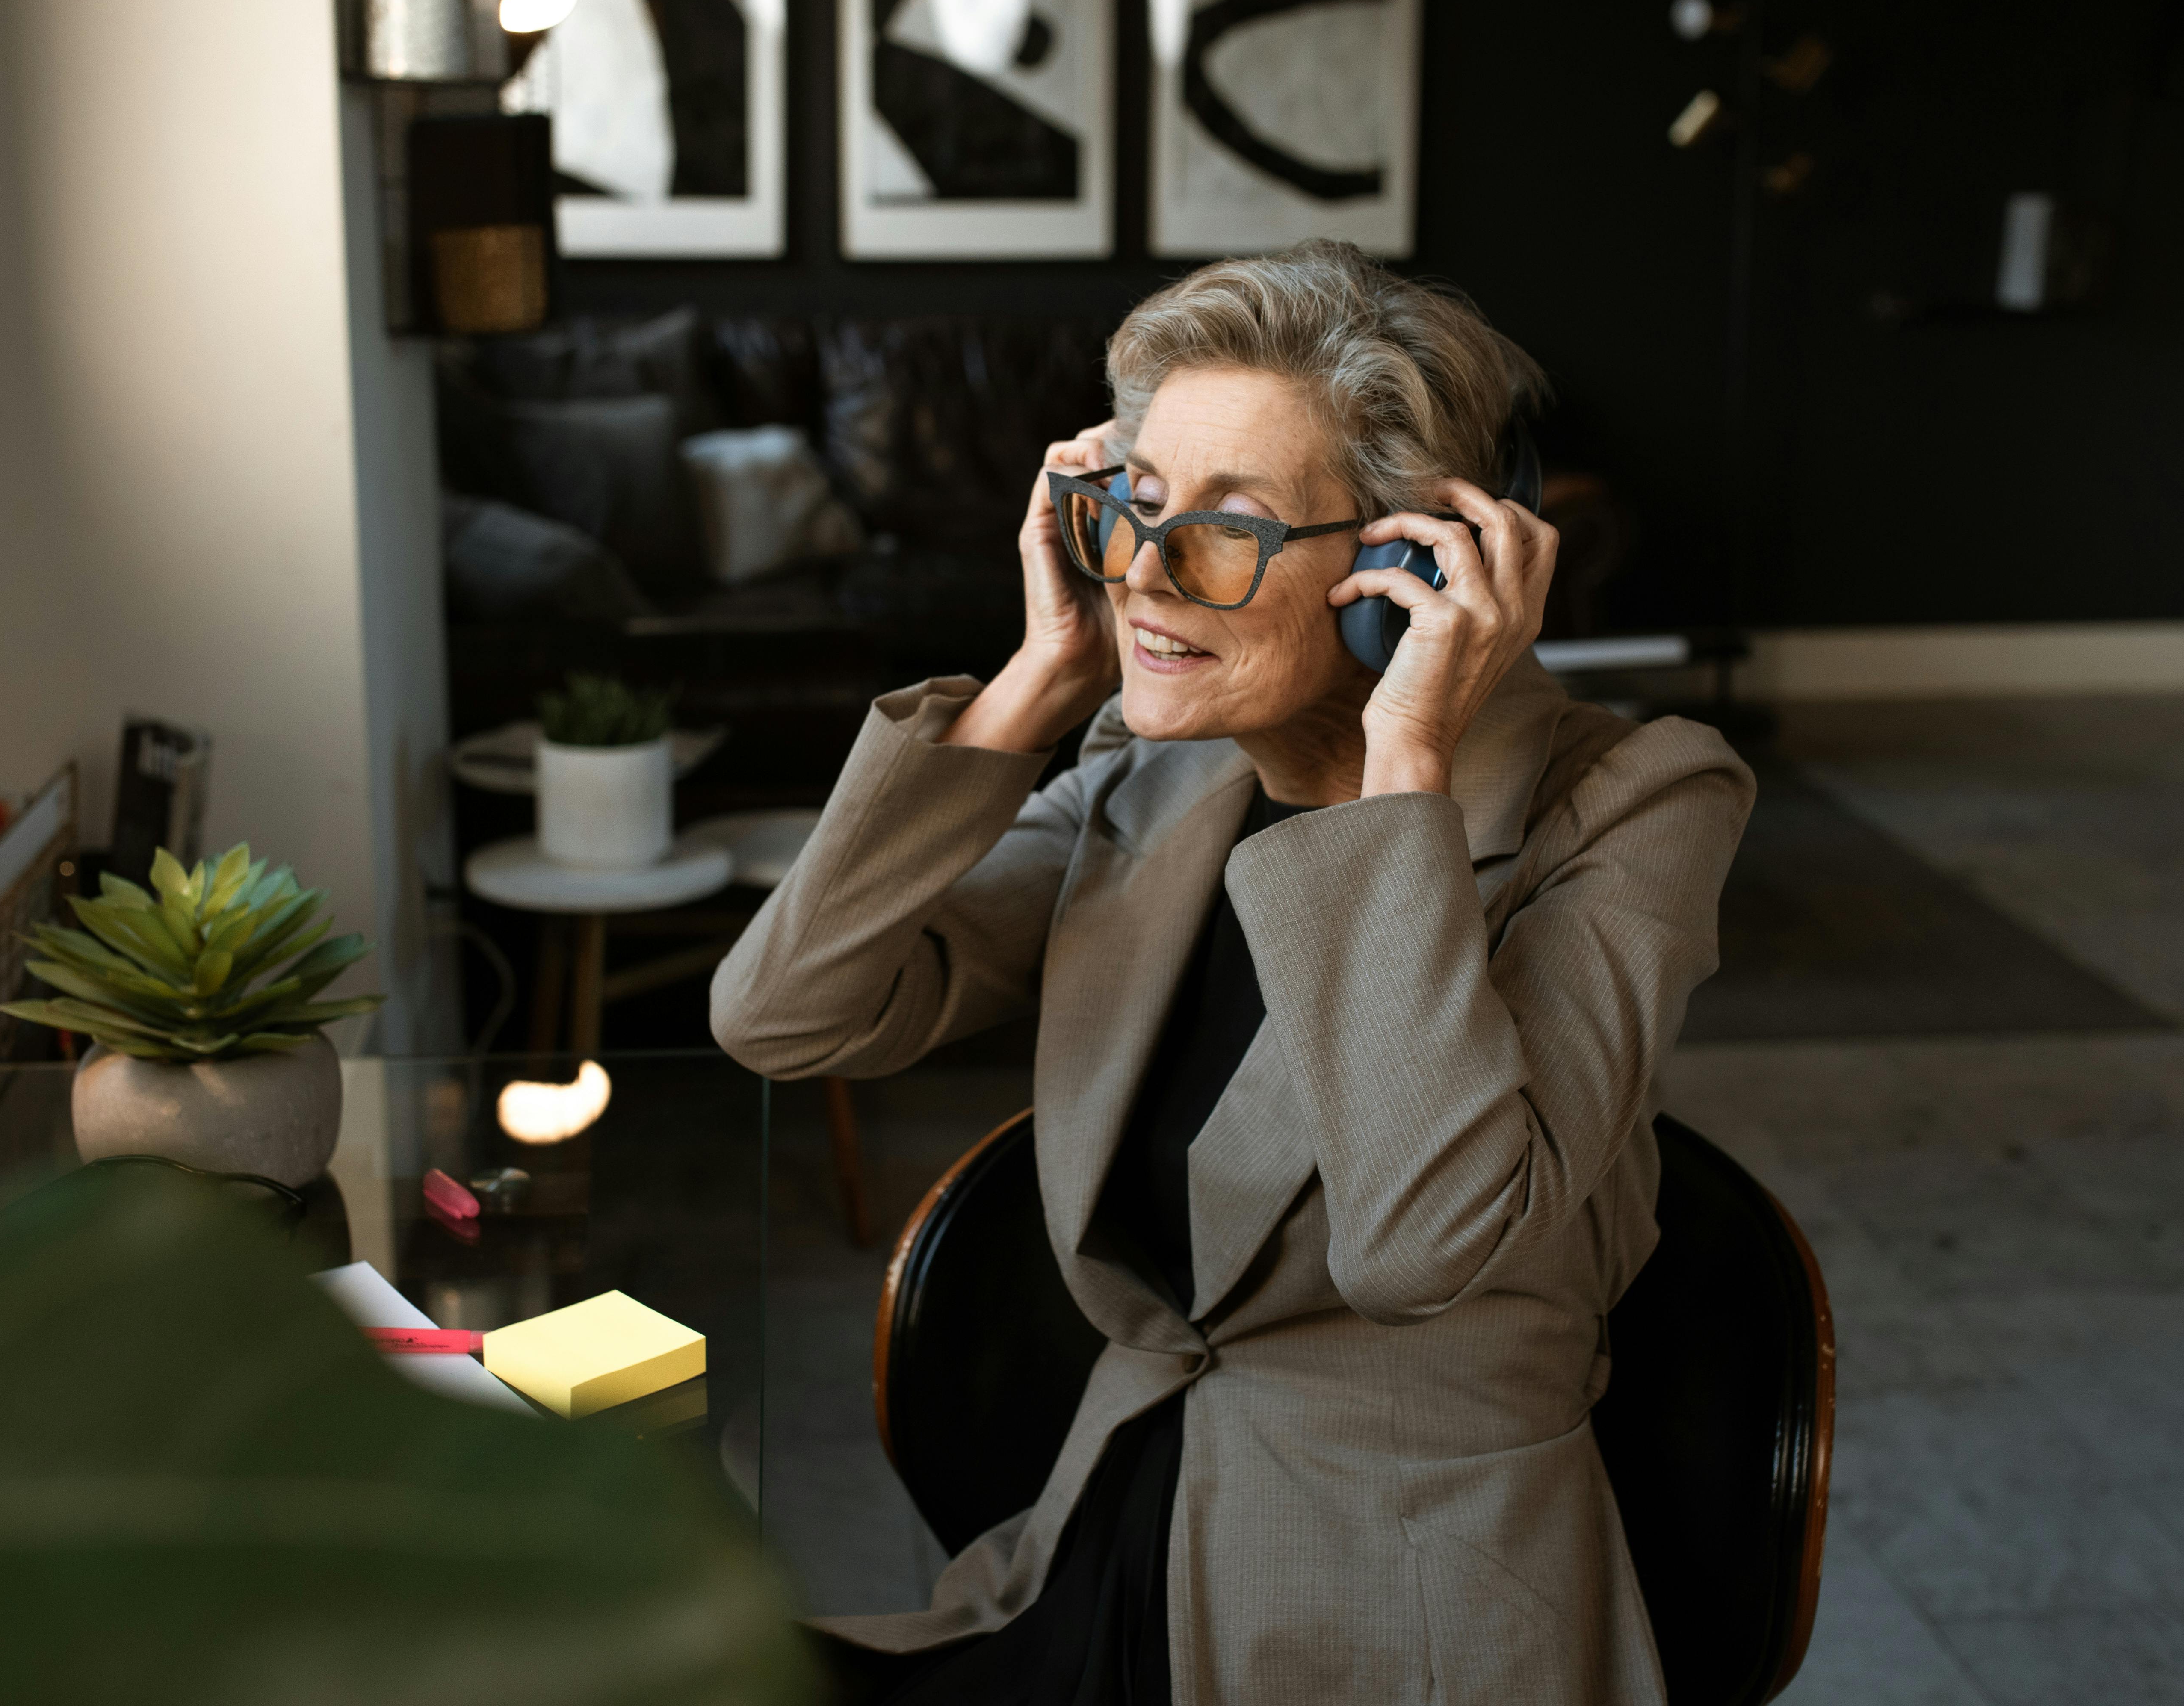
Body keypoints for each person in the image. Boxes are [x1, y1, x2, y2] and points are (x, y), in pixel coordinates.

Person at [711, 239, 1755, 1705]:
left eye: (1228, 528)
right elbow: (783, 1014)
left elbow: (1419, 1243)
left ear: (1405, 567)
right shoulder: (1160, 775)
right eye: (1135, 508)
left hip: (1405, 1620)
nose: (1145, 569)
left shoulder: (1638, 803)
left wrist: (1408, 768)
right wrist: (1042, 678)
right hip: (1105, 1544)